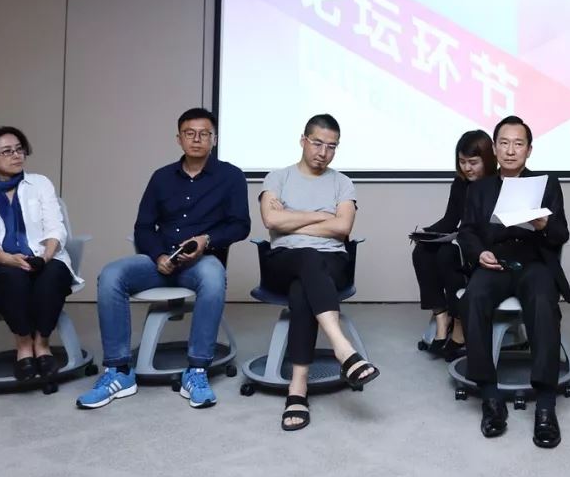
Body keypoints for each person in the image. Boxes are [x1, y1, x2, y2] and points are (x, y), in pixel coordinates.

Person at [76, 108, 250, 410]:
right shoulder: (161, 177)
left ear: (214, 139)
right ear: (179, 138)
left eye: (204, 134)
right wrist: (158, 255)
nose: (197, 139)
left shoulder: (231, 176)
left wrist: (206, 240)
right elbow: (143, 227)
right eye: (189, 133)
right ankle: (118, 371)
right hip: (160, 260)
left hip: (201, 262)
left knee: (213, 276)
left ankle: (197, 371)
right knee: (111, 275)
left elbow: (240, 225)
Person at [259, 113, 380, 431]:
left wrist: (292, 217)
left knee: (304, 286)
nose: (323, 152)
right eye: (317, 143)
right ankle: (345, 351)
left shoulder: (342, 182)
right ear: (303, 140)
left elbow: (343, 227)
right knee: (306, 260)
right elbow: (271, 221)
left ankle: (297, 389)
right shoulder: (277, 178)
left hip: (332, 264)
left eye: (331, 146)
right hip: (283, 261)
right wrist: (321, 216)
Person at [458, 116, 570, 449]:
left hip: (533, 262)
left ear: (529, 150)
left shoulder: (546, 184)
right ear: (494, 148)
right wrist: (478, 253)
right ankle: (490, 397)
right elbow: (467, 231)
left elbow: (562, 234)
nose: (510, 150)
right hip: (494, 262)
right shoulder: (479, 188)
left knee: (543, 300)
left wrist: (544, 225)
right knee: (473, 299)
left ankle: (546, 404)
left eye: (518, 144)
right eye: (504, 143)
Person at [0, 126, 83, 381]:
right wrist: (8, 259)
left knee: (53, 273)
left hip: (43, 257)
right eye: (7, 151)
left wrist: (45, 257)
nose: (17, 155)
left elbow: (55, 227)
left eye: (19, 149)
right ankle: (24, 345)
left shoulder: (40, 184)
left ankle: (42, 343)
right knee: (12, 277)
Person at [412, 130, 496, 360]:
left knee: (446, 254)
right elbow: (450, 220)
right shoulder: (460, 184)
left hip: (484, 249)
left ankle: (459, 324)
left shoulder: (496, 184)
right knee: (421, 251)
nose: (467, 168)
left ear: (488, 159)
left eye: (473, 162)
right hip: (463, 243)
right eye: (462, 161)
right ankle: (442, 316)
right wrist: (426, 234)